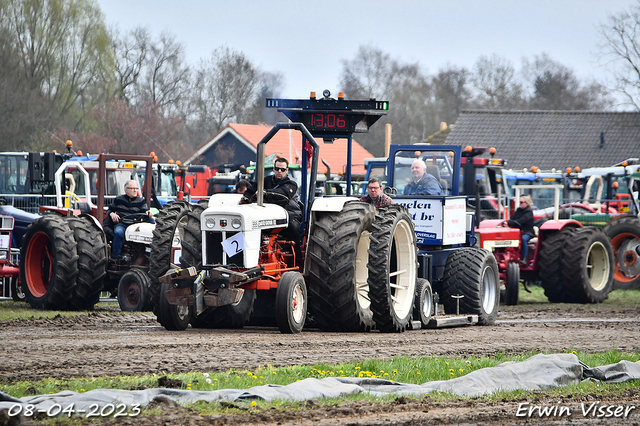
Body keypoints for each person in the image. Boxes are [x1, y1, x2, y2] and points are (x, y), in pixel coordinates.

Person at [242, 157, 302, 245]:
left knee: (293, 227)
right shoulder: (266, 180)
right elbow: (252, 189)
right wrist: (246, 197)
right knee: (248, 225)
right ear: (274, 169)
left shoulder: (291, 183)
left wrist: (266, 193)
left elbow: (283, 193)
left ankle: (297, 255)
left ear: (287, 170)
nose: (279, 171)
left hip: (289, 213)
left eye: (282, 169)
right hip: (267, 214)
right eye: (277, 169)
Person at [104, 180, 154, 259]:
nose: (135, 190)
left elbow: (145, 212)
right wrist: (112, 214)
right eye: (132, 188)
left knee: (151, 224)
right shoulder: (118, 199)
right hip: (122, 223)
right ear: (126, 190)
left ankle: (150, 255)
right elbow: (109, 210)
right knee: (118, 232)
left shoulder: (141, 201)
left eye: (136, 188)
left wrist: (148, 213)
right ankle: (116, 256)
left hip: (136, 225)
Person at [503, 195, 535, 264]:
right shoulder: (518, 210)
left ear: (526, 203)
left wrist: (510, 222)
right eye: (519, 202)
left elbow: (520, 221)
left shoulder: (528, 212)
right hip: (518, 231)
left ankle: (524, 258)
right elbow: (513, 219)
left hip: (527, 232)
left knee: (523, 239)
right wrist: (508, 222)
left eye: (521, 202)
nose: (519, 204)